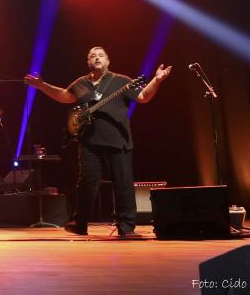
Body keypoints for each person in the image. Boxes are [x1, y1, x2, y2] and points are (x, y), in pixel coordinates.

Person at [24, 47, 171, 237]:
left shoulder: (121, 80)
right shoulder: (81, 83)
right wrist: (42, 86)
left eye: (101, 55)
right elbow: (64, 96)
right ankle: (80, 223)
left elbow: (143, 97)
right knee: (86, 183)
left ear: (108, 61)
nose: (97, 58)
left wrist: (156, 80)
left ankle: (126, 228)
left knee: (123, 184)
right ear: (88, 62)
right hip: (89, 142)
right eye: (93, 56)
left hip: (118, 140)